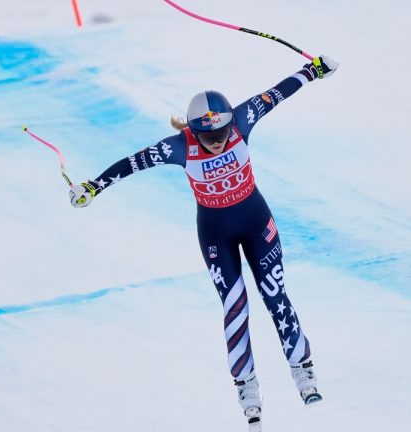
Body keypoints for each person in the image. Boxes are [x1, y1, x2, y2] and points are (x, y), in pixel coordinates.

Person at [69, 55, 338, 428]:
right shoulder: (179, 146)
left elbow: (278, 92)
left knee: (275, 294)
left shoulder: (242, 119)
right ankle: (247, 387)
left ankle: (303, 372)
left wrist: (313, 70)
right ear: (194, 130)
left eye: (221, 135)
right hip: (216, 233)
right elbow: (131, 163)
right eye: (208, 136)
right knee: (235, 305)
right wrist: (94, 186)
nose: (216, 142)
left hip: (256, 221)